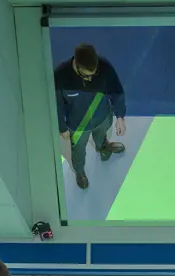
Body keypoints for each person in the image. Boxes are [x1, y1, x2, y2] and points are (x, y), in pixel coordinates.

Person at [53, 43, 127, 190]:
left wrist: (120, 117)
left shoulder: (104, 67)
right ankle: (79, 171)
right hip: (78, 125)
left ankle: (103, 147)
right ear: (77, 66)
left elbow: (116, 91)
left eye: (94, 74)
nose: (91, 79)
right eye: (87, 75)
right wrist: (62, 127)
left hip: (102, 116)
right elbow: (57, 104)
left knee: (102, 135)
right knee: (78, 151)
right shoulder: (60, 76)